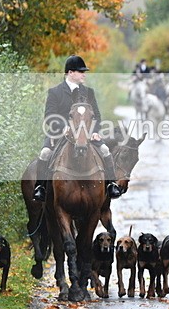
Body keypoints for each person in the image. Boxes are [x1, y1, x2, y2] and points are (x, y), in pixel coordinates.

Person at [33, 55, 123, 201]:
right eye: (81, 72)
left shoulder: (88, 92)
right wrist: (64, 128)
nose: (84, 75)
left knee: (105, 151)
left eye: (84, 72)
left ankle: (111, 184)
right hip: (59, 133)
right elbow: (49, 116)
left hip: (85, 134)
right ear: (70, 73)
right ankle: (40, 187)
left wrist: (94, 132)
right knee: (44, 153)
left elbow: (97, 116)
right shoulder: (55, 92)